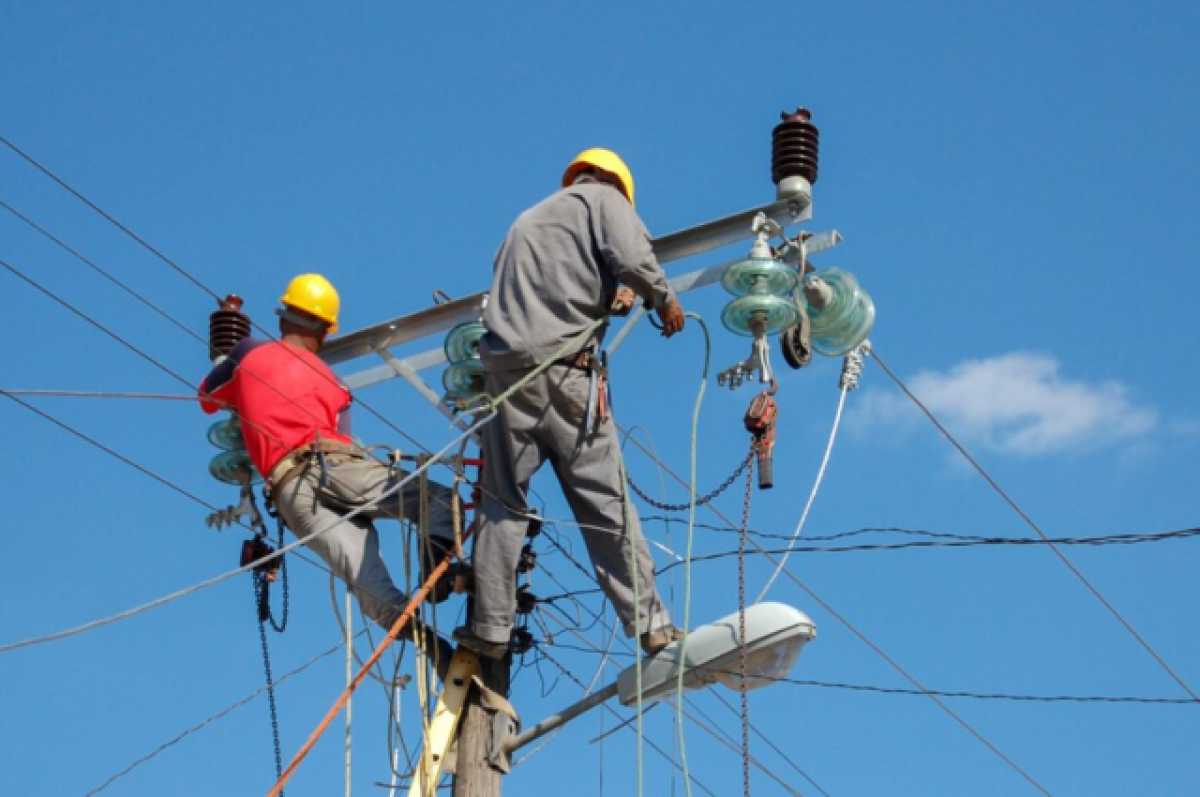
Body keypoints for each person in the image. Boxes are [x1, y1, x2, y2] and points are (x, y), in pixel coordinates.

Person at [454, 148, 687, 660]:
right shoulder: (603, 200)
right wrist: (661, 297)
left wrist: (605, 299)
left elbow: (541, 296)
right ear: (614, 184)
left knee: (501, 503)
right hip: (566, 376)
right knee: (604, 503)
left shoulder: (526, 221)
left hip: (507, 381)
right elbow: (631, 255)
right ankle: (650, 623)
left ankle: (490, 629)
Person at [199, 274, 458, 637]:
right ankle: (439, 573)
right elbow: (346, 447)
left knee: (365, 579)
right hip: (335, 467)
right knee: (439, 501)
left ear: (281, 319)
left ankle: (431, 648)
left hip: (291, 495)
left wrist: (227, 347)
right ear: (325, 332)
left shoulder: (249, 354)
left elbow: (208, 397)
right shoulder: (338, 386)